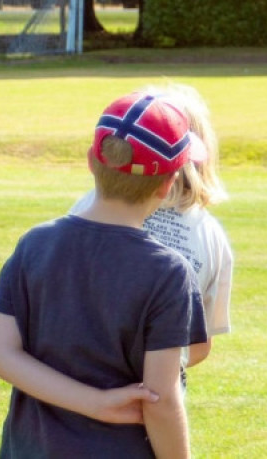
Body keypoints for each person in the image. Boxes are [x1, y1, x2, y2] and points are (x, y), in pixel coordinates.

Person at [0, 91, 209, 458]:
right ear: (168, 184)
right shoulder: (168, 273)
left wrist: (93, 402)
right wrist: (98, 403)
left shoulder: (35, 244)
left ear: (92, 161)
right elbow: (160, 400)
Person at [70, 83, 234, 369]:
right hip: (153, 396)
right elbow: (198, 345)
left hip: (69, 380)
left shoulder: (88, 205)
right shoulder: (210, 233)